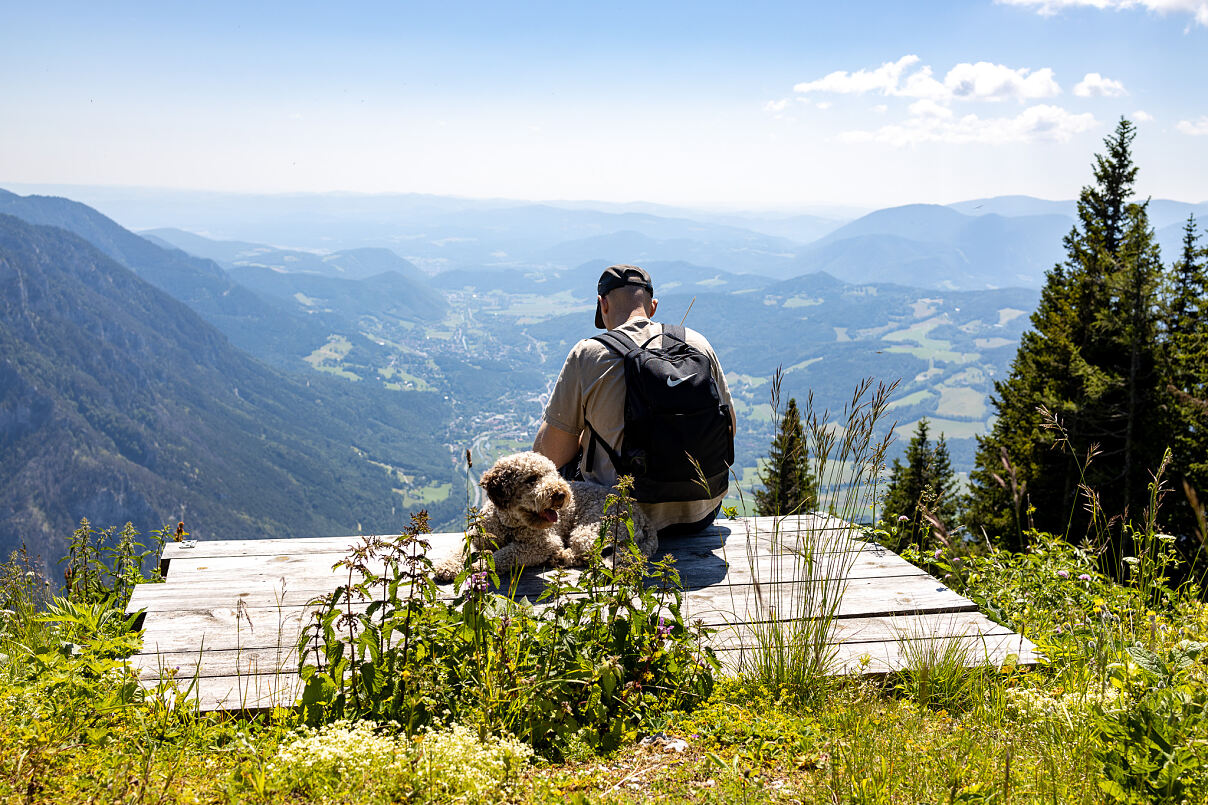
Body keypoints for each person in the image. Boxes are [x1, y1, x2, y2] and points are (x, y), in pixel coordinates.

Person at [533, 264, 736, 537]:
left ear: (602, 304)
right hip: (701, 513)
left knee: (560, 466)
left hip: (620, 519)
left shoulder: (589, 354)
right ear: (652, 306)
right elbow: (730, 427)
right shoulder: (697, 343)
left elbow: (549, 455)